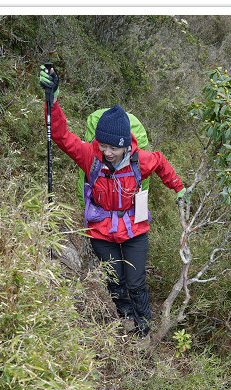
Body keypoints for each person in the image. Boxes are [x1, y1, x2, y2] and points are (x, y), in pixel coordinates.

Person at [38, 65, 188, 337]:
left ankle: (145, 327)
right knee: (115, 280)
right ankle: (127, 317)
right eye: (103, 145)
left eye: (113, 147)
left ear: (126, 146)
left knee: (136, 281)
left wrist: (178, 188)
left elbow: (162, 163)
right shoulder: (89, 155)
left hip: (134, 229)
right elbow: (61, 137)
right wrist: (53, 99)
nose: (107, 152)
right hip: (101, 229)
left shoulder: (139, 161)